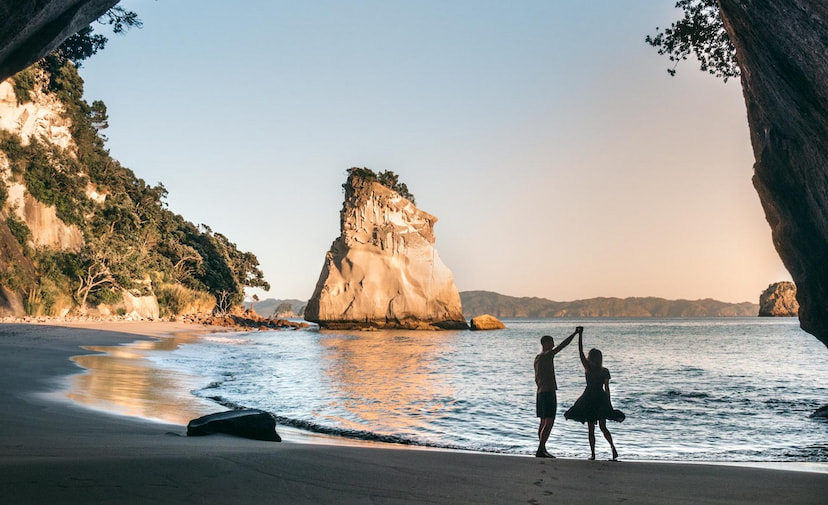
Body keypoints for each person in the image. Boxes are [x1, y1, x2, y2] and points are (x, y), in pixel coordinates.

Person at [564, 327, 625, 460]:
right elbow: (607, 389)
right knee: (603, 427)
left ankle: (593, 454)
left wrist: (580, 335)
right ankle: (613, 448)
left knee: (591, 429)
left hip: (589, 399)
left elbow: (580, 351)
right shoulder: (604, 371)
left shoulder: (588, 368)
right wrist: (609, 403)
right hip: (601, 399)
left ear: (590, 357)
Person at [533, 327, 580, 458]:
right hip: (548, 391)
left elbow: (536, 377)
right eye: (551, 342)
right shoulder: (547, 355)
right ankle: (541, 449)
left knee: (543, 421)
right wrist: (575, 334)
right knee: (549, 421)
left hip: (540, 392)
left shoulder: (537, 358)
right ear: (546, 343)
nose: (553, 345)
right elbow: (562, 346)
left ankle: (542, 448)